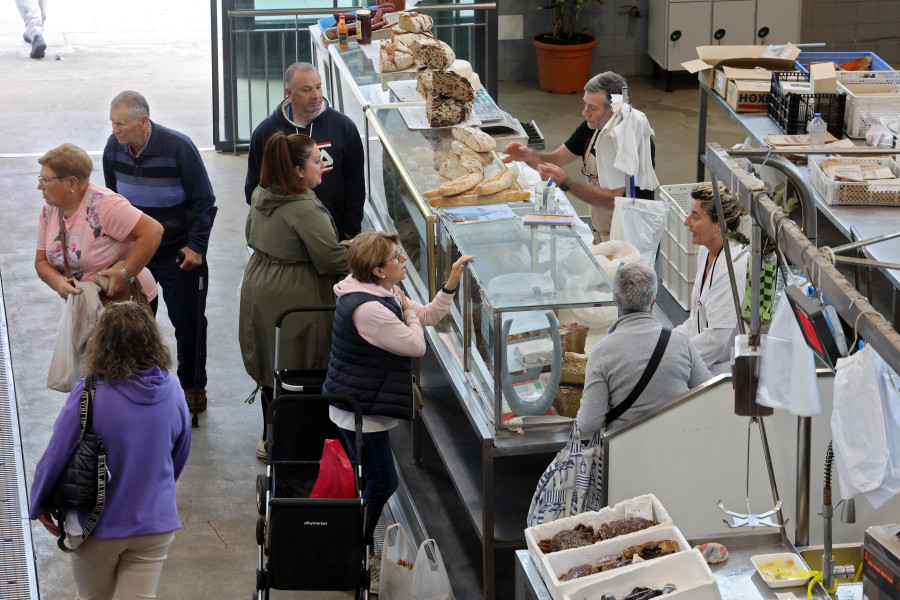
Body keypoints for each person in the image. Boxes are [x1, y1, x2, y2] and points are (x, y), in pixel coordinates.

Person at [322, 231, 473, 588]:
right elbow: (416, 345)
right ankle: (357, 550)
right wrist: (406, 310)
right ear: (377, 271)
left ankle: (355, 540)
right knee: (383, 480)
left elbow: (426, 316)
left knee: (371, 479)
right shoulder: (371, 309)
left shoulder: (381, 290)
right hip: (361, 411)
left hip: (365, 401)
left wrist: (449, 283)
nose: (404, 260)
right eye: (396, 257)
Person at [29, 302, 191, 600]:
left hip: (95, 525)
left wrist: (39, 501)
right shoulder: (174, 391)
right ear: (153, 340)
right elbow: (179, 455)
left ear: (101, 343)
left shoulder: (89, 393)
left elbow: (57, 454)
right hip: (154, 524)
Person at [102, 90, 217, 412]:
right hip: (139, 254)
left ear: (143, 121)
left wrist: (196, 246)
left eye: (121, 124)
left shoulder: (179, 148)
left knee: (189, 322)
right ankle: (140, 386)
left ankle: (193, 386)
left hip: (180, 254)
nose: (115, 131)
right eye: (112, 123)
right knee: (134, 323)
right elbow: (113, 202)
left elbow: (203, 202)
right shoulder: (114, 149)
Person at [239, 132, 351, 459]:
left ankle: (269, 436)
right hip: (295, 295)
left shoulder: (263, 194)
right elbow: (330, 258)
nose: (323, 165)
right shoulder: (304, 208)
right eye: (317, 161)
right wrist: (364, 249)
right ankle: (300, 447)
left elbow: (250, 234)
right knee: (300, 369)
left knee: (272, 367)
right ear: (298, 171)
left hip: (259, 288)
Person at [503, 71, 657, 244]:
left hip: (632, 237)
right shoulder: (593, 126)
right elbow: (556, 159)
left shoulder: (630, 139)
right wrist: (528, 155)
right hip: (603, 232)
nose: (585, 113)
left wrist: (568, 183)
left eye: (592, 108)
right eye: (585, 104)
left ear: (613, 110)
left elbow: (612, 199)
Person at [576, 263, 711, 434]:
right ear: (653, 302)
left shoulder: (601, 352)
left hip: (626, 452)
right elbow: (709, 392)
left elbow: (588, 424)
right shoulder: (680, 341)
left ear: (615, 302)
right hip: (678, 445)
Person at [244, 62, 365, 240]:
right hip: (283, 235)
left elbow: (356, 181)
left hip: (334, 232)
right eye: (307, 90)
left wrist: (350, 229)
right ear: (289, 93)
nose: (316, 95)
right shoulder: (266, 132)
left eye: (318, 87)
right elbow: (255, 186)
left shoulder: (343, 127)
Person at [35, 143, 162, 304]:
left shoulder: (104, 205)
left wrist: (125, 274)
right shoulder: (49, 211)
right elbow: (41, 261)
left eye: (45, 180)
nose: (40, 186)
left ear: (71, 183)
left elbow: (153, 231)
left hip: (126, 303)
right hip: (86, 304)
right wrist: (59, 282)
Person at [674, 183, 749, 372]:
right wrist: (670, 341)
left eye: (695, 216)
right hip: (700, 358)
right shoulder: (705, 251)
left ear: (719, 225)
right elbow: (696, 317)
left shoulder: (732, 266)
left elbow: (717, 340)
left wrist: (675, 358)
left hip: (724, 372)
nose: (686, 222)